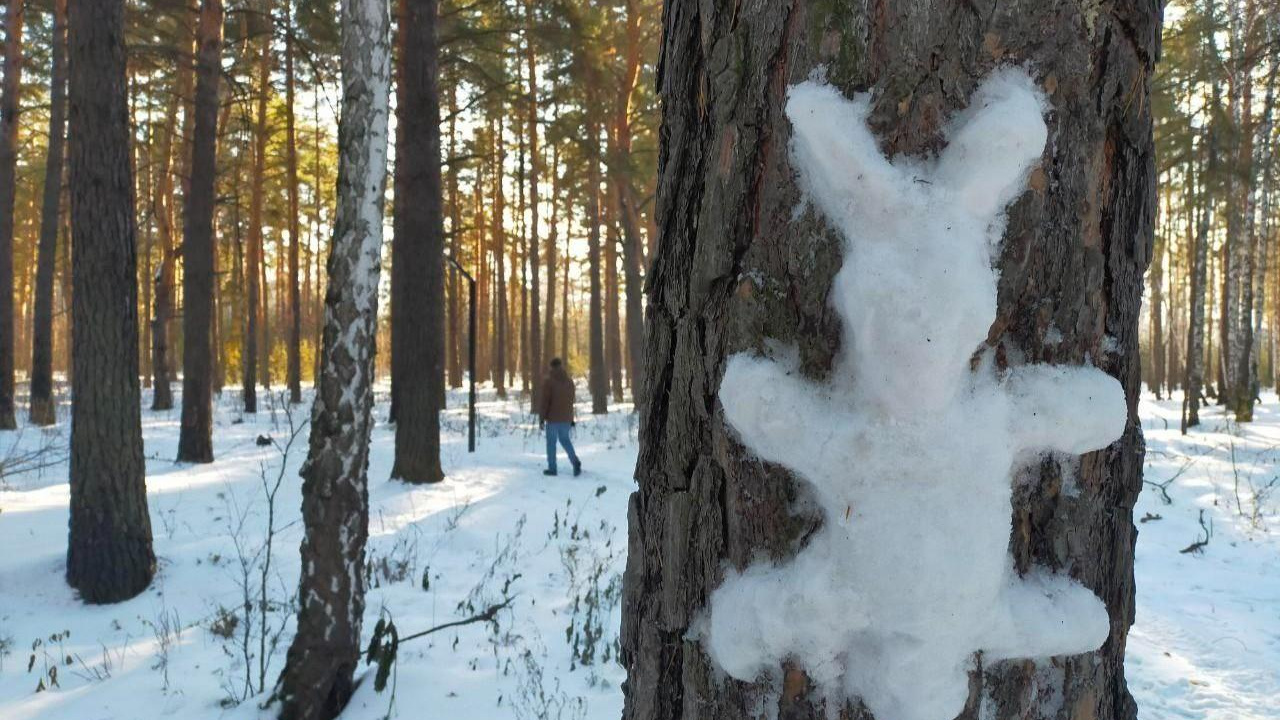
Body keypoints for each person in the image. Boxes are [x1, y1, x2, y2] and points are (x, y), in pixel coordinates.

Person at [537, 358, 581, 476]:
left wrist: (541, 418)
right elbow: (571, 401)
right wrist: (571, 418)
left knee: (551, 443)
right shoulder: (569, 382)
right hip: (566, 418)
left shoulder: (549, 381)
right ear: (561, 366)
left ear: (551, 367)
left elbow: (545, 402)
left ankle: (552, 468)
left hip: (552, 419)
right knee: (565, 440)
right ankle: (575, 462)